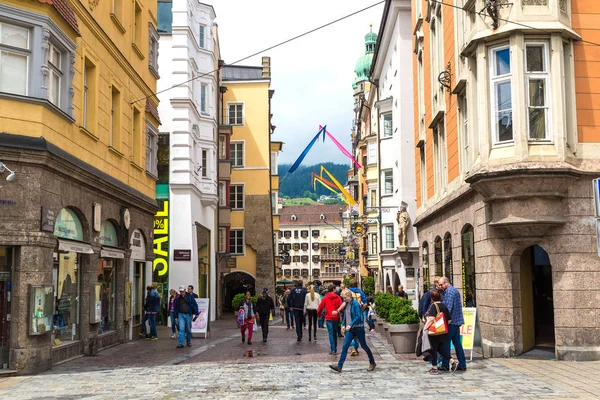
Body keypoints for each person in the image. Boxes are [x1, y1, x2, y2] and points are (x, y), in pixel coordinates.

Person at [329, 289, 376, 373]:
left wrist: (350, 324)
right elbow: (346, 316)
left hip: (358, 328)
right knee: (345, 346)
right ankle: (339, 366)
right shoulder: (346, 304)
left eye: (345, 297)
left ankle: (372, 362)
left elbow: (358, 316)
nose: (344, 299)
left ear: (349, 296)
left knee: (364, 346)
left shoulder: (355, 304)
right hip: (350, 329)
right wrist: (343, 324)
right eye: (343, 298)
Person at [423, 289, 457, 374]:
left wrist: (425, 328)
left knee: (434, 349)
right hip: (443, 331)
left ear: (432, 298)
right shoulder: (444, 306)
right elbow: (449, 320)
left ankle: (434, 368)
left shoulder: (433, 306)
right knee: (440, 348)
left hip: (434, 332)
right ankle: (452, 361)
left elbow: (431, 319)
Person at [439, 277, 467, 372]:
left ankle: (445, 365)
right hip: (456, 321)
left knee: (445, 343)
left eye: (441, 284)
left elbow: (448, 308)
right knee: (457, 343)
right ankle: (462, 364)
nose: (440, 286)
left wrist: (443, 319)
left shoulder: (450, 292)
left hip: (451, 322)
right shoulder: (453, 291)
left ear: (446, 283)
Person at [317, 284, 342, 355]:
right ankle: (335, 348)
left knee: (331, 334)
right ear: (333, 289)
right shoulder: (338, 297)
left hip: (328, 318)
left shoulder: (325, 297)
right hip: (336, 317)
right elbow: (341, 307)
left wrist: (318, 315)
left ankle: (333, 349)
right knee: (335, 333)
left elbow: (320, 307)